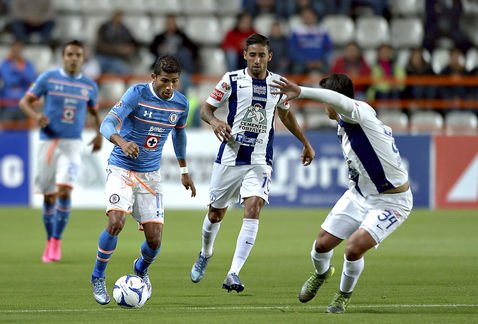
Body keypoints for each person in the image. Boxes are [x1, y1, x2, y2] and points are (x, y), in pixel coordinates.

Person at [271, 73, 413, 314]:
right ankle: (322, 274)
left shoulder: (358, 112)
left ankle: (342, 296)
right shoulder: (345, 124)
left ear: (333, 100)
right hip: (359, 195)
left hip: (392, 202)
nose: (324, 106)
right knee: (321, 245)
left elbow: (340, 102)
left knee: (353, 247)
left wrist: (302, 92)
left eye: (326, 100)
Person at [190, 34, 315, 293]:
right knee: (216, 213)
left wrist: (305, 142)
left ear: (270, 56)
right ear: (244, 56)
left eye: (261, 55)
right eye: (252, 55)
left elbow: (286, 115)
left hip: (260, 159)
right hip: (230, 157)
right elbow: (205, 110)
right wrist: (215, 123)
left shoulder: (278, 84)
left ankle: (233, 273)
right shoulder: (231, 80)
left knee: (254, 207)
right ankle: (205, 252)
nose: (257, 60)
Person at [90, 55, 197, 305]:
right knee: (116, 222)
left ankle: (140, 269)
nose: (169, 87)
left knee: (155, 239)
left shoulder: (181, 104)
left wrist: (184, 170)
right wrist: (122, 141)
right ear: (153, 78)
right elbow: (107, 124)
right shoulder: (136, 94)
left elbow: (178, 137)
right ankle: (97, 276)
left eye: (174, 81)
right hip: (121, 168)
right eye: (164, 81)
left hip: (150, 175)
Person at [19, 40, 103, 263]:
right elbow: (24, 102)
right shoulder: (48, 78)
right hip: (49, 143)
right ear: (63, 57)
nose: (74, 58)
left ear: (83, 58)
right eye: (70, 54)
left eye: (78, 54)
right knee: (49, 195)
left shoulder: (89, 86)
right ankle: (49, 239)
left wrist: (98, 134)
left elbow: (94, 113)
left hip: (72, 144)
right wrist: (36, 116)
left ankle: (56, 240)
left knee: (64, 191)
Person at [149, 14, 199, 95]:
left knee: (183, 53)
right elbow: (152, 50)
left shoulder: (182, 36)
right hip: (163, 66)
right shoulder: (159, 37)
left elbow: (194, 49)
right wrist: (161, 48)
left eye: (172, 23)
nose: (171, 25)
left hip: (180, 68)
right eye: (169, 23)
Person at [287, 6, 333, 74]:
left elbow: (329, 48)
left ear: (315, 16)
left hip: (320, 62)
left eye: (310, 16)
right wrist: (305, 61)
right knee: (297, 69)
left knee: (329, 70)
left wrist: (321, 61)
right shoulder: (297, 31)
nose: (308, 18)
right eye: (305, 16)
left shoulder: (322, 31)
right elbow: (292, 50)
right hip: (302, 63)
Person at [0, 39, 37, 121]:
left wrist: (18, 69)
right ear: (11, 50)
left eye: (19, 50)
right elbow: (8, 80)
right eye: (14, 50)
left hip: (23, 104)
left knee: (24, 130)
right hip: (8, 103)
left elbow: (31, 80)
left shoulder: (28, 64)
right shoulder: (5, 63)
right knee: (6, 129)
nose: (16, 52)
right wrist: (21, 76)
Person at [94, 9, 138, 75]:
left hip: (118, 59)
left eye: (120, 17)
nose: (119, 19)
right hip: (102, 56)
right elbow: (99, 46)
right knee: (95, 71)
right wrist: (118, 49)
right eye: (117, 16)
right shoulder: (104, 27)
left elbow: (133, 42)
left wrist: (129, 48)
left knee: (126, 71)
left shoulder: (124, 29)